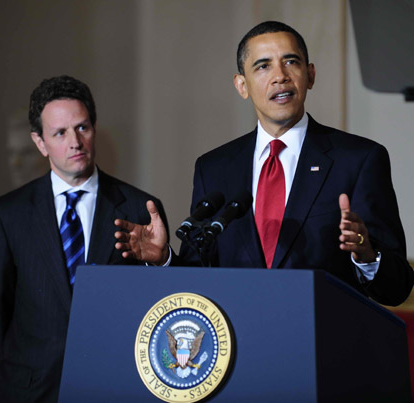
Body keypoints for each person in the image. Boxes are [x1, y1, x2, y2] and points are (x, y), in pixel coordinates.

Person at [115, 21, 413, 307]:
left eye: (291, 62)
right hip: (240, 349)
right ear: (241, 85)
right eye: (263, 66)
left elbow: (397, 287)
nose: (280, 75)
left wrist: (366, 255)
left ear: (310, 75)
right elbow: (198, 279)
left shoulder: (359, 159)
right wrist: (164, 258)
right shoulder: (214, 168)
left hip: (325, 347)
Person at [0, 75, 169, 402]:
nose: (75, 142)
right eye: (60, 132)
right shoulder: (6, 215)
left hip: (116, 384)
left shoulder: (142, 207)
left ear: (95, 128)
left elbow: (165, 301)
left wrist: (164, 260)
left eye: (82, 128)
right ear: (40, 143)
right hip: (31, 388)